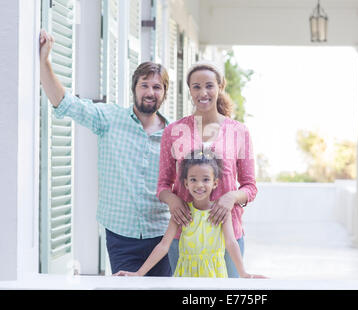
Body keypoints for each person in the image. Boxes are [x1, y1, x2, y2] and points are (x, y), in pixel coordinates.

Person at [39, 29, 172, 276]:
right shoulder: (108, 118)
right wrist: (44, 61)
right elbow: (64, 102)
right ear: (135, 88)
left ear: (164, 93)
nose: (150, 92)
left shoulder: (174, 133)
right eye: (144, 85)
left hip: (163, 236)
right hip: (121, 236)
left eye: (157, 87)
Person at [157, 60, 258, 278]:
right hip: (185, 236)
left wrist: (231, 197)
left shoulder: (239, 132)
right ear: (190, 91)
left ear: (220, 87)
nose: (203, 92)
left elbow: (250, 186)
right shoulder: (173, 131)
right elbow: (163, 185)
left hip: (228, 237)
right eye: (196, 86)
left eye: (209, 85)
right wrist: (173, 200)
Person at [113, 150, 265, 278]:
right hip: (185, 276)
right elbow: (164, 245)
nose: (199, 185)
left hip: (215, 276)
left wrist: (244, 274)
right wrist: (139, 273)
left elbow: (231, 243)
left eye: (206, 179)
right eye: (193, 179)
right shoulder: (182, 213)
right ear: (186, 183)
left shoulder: (221, 213)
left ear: (215, 183)